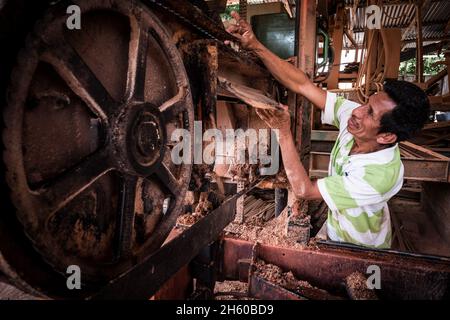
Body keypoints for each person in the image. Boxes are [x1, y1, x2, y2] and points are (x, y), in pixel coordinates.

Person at [226, 12, 430, 248]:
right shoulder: (357, 121)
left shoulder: (378, 176)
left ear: (386, 136)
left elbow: (303, 189)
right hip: (335, 228)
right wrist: (255, 45)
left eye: (370, 113)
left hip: (360, 247)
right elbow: (303, 85)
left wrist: (282, 130)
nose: (357, 112)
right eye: (366, 103)